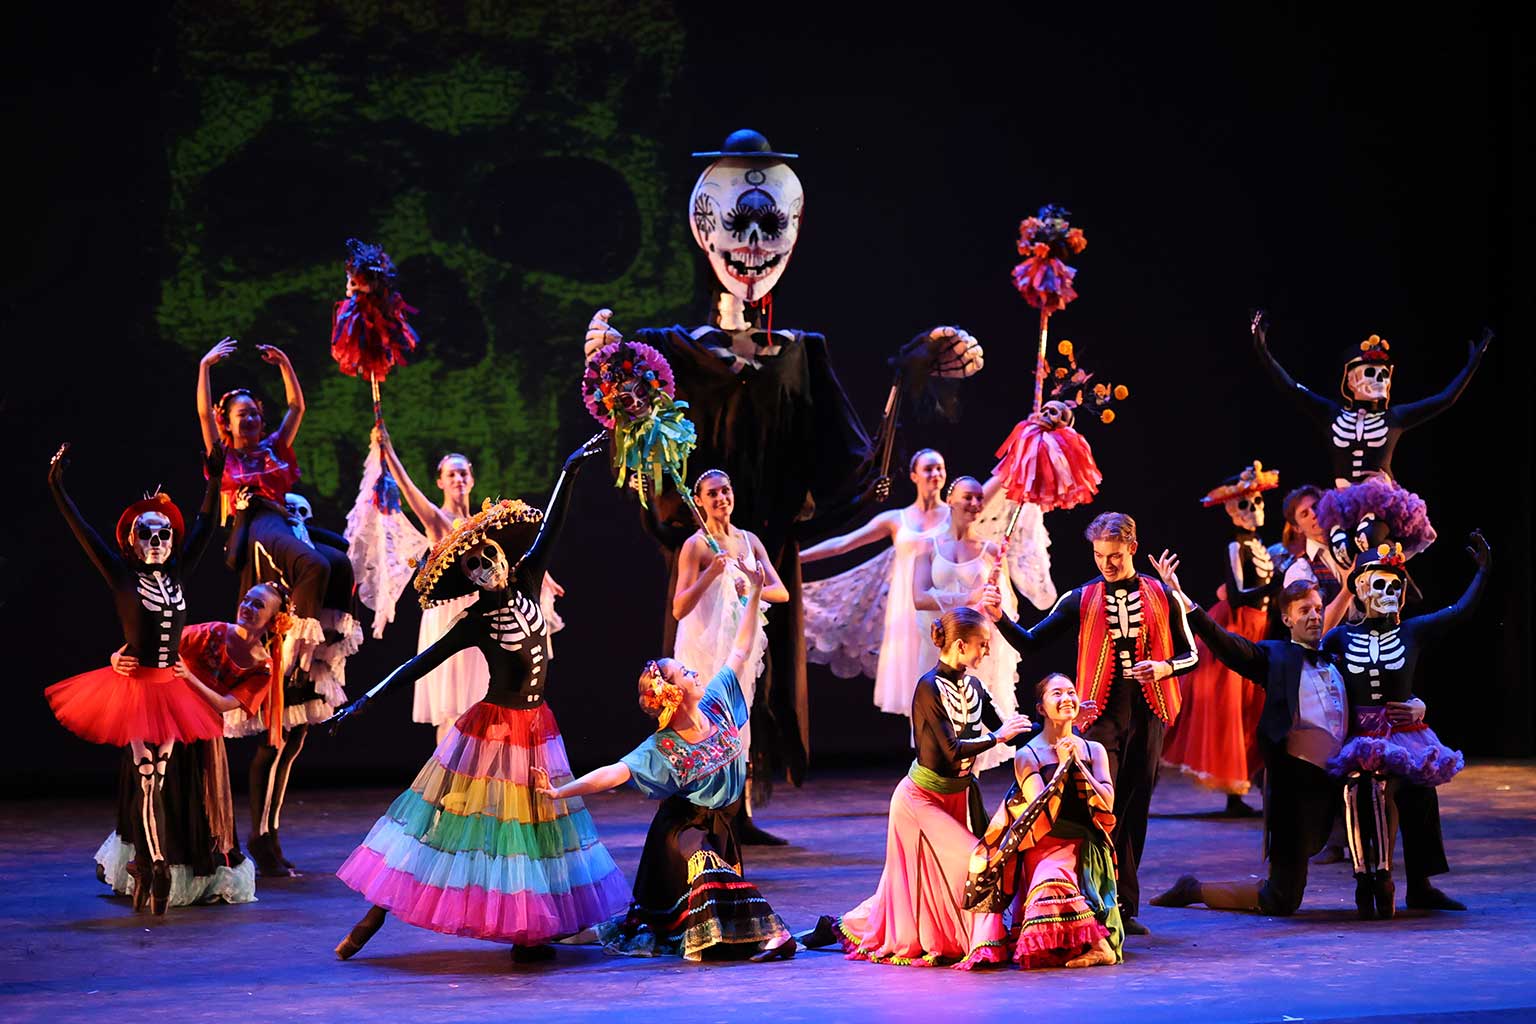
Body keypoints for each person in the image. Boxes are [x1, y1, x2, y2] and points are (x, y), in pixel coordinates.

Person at [582, 128, 985, 794]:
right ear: (704, 224)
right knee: (701, 665)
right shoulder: (673, 350)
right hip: (703, 551)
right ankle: (699, 789)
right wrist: (613, 376)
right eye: (738, 225)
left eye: (772, 226)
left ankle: (740, 794)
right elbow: (643, 454)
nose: (753, 247)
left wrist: (906, 376)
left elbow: (849, 460)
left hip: (765, 544)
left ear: (792, 231)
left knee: (760, 673)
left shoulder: (801, 351)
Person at [328, 434, 629, 963]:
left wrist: (571, 468)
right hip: (493, 730)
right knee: (453, 820)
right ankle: (375, 913)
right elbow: (418, 663)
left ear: (504, 556)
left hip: (536, 726)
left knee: (538, 825)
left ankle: (530, 927)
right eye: (475, 568)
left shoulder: (530, 576)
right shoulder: (476, 620)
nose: (486, 569)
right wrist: (364, 700)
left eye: (489, 558)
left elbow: (553, 523)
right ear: (470, 579)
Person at [1147, 554, 1462, 918]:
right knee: (1281, 900)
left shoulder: (1337, 654)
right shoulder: (1275, 657)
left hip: (1335, 779)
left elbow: (1380, 687)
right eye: (1304, 611)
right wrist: (1188, 604)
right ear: (1287, 619)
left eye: (1317, 609)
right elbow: (1228, 646)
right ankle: (1194, 888)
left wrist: (1417, 705)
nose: (1314, 616)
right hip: (1295, 792)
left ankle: (1408, 884)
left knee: (1414, 785)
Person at [531, 562, 795, 962]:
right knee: (706, 869)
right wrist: (558, 791)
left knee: (717, 886)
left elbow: (739, 650)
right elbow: (613, 773)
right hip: (682, 831)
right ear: (673, 693)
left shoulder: (719, 703)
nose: (692, 671)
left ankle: (742, 937)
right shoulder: (662, 746)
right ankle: (773, 935)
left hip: (721, 827)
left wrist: (755, 591)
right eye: (684, 672)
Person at [196, 337, 360, 875]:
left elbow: (296, 408)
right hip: (258, 524)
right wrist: (204, 368)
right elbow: (203, 411)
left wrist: (288, 364)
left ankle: (324, 639)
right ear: (227, 424)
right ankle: (302, 636)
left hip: (287, 520)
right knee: (314, 566)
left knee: (340, 562)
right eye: (240, 415)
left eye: (253, 415)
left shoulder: (273, 448)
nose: (249, 421)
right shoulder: (228, 457)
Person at [992, 512, 1198, 935]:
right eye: (1100, 555)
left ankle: (1125, 904)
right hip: (1100, 713)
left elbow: (1191, 654)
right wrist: (999, 619)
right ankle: (1094, 900)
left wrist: (1163, 668)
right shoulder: (1080, 597)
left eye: (1116, 556)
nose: (1107, 563)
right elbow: (1032, 641)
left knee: (1136, 805)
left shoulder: (1161, 594)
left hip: (1148, 708)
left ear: (1133, 549)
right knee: (1100, 806)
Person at [44, 442, 225, 914]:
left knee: (160, 779)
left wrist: (214, 480)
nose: (158, 543)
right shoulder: (123, 576)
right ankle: (159, 864)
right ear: (131, 540)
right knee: (148, 778)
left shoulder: (179, 571)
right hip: (135, 687)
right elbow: (84, 533)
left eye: (164, 535)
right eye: (148, 535)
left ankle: (147, 864)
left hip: (170, 688)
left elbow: (206, 527)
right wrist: (56, 486)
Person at [799, 608, 1032, 968]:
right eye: (982, 645)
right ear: (959, 645)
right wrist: (996, 737)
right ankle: (982, 942)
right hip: (920, 802)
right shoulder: (928, 688)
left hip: (956, 798)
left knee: (915, 886)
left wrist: (1061, 725)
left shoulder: (974, 686)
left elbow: (1013, 733)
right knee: (975, 861)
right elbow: (950, 750)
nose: (986, 651)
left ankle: (837, 927)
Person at [95, 581, 291, 911]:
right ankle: (147, 863)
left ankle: (177, 872)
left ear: (273, 620)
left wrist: (189, 677)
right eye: (246, 599)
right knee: (150, 792)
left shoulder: (262, 667)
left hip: (200, 735)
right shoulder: (212, 632)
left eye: (259, 605)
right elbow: (153, 643)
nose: (247, 607)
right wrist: (119, 656)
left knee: (189, 801)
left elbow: (223, 704)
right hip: (164, 718)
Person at [1320, 534, 1487, 917]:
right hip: (1360, 737)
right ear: (1361, 590)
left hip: (1404, 736)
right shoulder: (1340, 638)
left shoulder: (1410, 632)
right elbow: (1311, 670)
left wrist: (1482, 574)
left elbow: (1459, 611)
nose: (1390, 592)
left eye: (1396, 586)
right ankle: (1371, 877)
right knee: (1364, 789)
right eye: (1380, 584)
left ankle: (1419, 883)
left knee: (1420, 792)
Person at [372, 423, 565, 745]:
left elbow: (511, 557)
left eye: (463, 474)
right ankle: (446, 785)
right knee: (452, 707)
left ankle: (479, 782)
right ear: (440, 482)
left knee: (483, 700)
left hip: (484, 613)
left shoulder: (482, 525)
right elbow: (406, 489)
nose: (458, 479)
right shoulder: (437, 520)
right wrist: (387, 450)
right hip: (452, 617)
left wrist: (544, 577)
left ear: (472, 479)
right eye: (451, 475)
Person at [965, 673, 1121, 969]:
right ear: (1041, 708)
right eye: (1057, 694)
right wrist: (1063, 767)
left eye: (1071, 692)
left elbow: (1107, 802)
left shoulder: (1093, 749)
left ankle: (1101, 947)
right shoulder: (1028, 754)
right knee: (1050, 881)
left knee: (1055, 881)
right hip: (1045, 842)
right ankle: (1094, 944)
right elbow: (1040, 808)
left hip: (1084, 843)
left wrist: (1076, 766)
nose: (1067, 699)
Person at [671, 468, 789, 838]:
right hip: (703, 650)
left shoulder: (749, 541)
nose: (721, 498)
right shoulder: (697, 546)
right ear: (700, 500)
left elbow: (780, 591)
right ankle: (701, 816)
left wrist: (751, 586)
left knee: (739, 729)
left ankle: (739, 817)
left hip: (740, 651)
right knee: (704, 729)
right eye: (713, 493)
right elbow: (679, 607)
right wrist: (712, 574)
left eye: (725, 490)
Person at [1250, 312, 1490, 488]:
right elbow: (1291, 388)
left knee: (1368, 536)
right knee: (1337, 546)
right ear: (1351, 382)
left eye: (1384, 375)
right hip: (1341, 503)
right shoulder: (1331, 413)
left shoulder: (1394, 417)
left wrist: (1471, 366)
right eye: (1370, 373)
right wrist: (1264, 353)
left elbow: (1444, 399)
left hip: (1382, 500)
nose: (1380, 379)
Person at [1161, 462, 1278, 815]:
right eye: (1244, 504)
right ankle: (1232, 795)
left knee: (1253, 708)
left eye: (1257, 502)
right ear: (1230, 510)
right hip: (1240, 625)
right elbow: (1241, 593)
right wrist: (1279, 581)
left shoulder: (1261, 546)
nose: (1254, 510)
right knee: (1229, 706)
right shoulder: (1237, 547)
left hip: (1262, 626)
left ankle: (1249, 790)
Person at [802, 448, 953, 716]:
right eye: (929, 469)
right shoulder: (897, 519)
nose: (936, 474)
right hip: (907, 610)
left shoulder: (955, 516)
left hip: (943, 604)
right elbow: (842, 544)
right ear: (913, 476)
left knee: (948, 684)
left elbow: (989, 498)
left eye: (940, 468)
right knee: (916, 686)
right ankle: (923, 753)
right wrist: (796, 558)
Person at [912, 475, 1026, 771]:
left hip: (976, 647)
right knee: (940, 724)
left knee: (972, 719)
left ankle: (969, 788)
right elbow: (919, 597)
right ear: (950, 499)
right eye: (968, 497)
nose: (975, 503)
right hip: (940, 643)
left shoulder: (991, 551)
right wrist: (968, 596)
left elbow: (1007, 603)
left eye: (979, 498)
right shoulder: (928, 546)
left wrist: (994, 601)